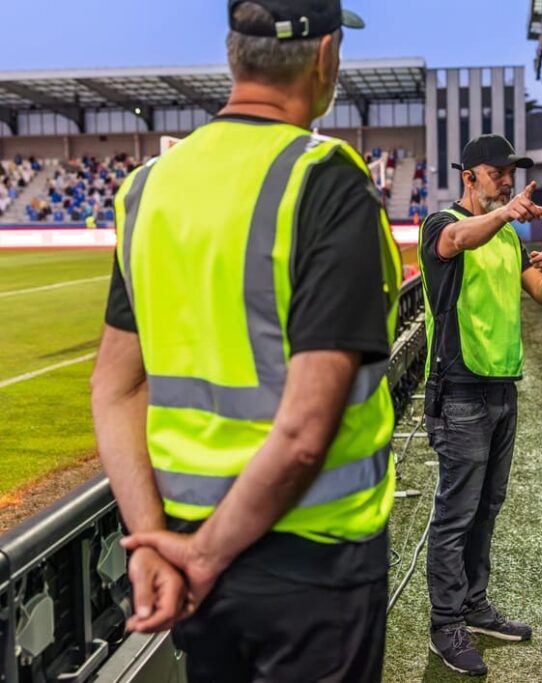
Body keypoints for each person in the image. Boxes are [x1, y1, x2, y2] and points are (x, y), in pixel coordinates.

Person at [90, 1, 403, 681]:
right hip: (313, 564)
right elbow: (302, 435)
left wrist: (155, 543)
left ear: (235, 53)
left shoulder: (147, 189)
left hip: (188, 553)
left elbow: (114, 386)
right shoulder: (327, 180)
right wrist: (202, 553)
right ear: (325, 57)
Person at [418, 134, 542, 676]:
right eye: (497, 172)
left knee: (487, 508)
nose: (506, 179)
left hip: (502, 389)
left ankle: (474, 605)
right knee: (455, 514)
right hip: (458, 391)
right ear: (469, 175)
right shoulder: (442, 224)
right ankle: (444, 623)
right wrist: (506, 214)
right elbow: (458, 238)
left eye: (510, 172)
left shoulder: (506, 239)